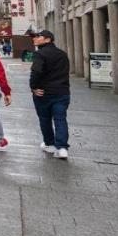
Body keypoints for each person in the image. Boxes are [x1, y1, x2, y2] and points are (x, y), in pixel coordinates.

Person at [30, 29, 71, 159]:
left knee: (45, 119)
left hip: (44, 93)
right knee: (60, 119)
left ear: (48, 39)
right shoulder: (62, 54)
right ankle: (62, 147)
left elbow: (36, 72)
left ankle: (50, 143)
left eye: (38, 36)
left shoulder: (40, 54)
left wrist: (34, 87)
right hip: (62, 92)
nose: (35, 39)